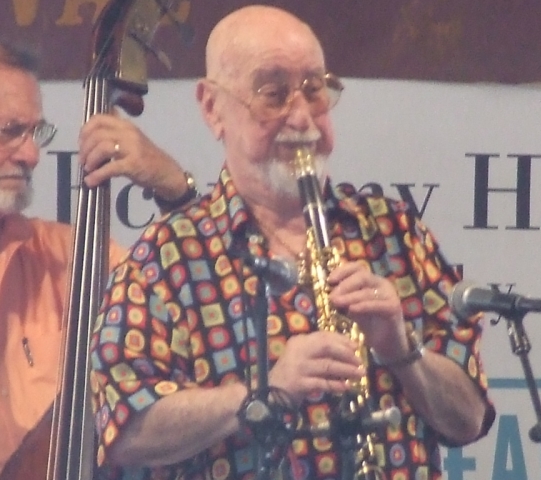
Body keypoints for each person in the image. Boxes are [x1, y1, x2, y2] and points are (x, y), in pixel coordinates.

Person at [90, 5, 496, 480]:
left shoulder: (395, 233)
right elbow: (126, 430)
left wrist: (401, 349)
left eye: (314, 90)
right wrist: (264, 393)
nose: (301, 118)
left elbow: (467, 419)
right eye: (273, 93)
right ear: (212, 107)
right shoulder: (165, 258)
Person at [0, 40, 198, 473]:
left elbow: (207, 304)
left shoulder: (70, 258)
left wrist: (176, 191)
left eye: (36, 133)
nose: (32, 154)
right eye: (10, 131)